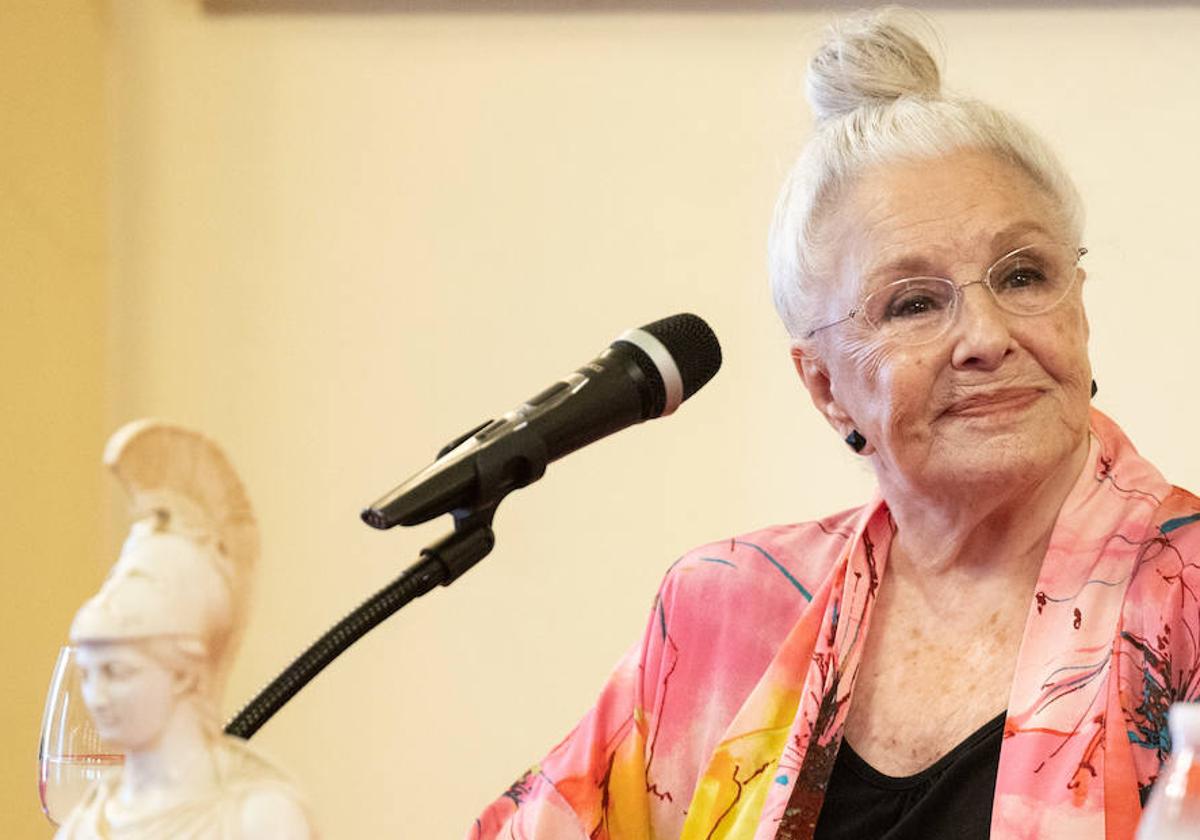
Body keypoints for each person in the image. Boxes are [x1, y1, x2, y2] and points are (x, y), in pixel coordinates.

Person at [469, 8, 1200, 840]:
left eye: (1024, 275)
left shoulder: (1188, 599)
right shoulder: (726, 613)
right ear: (824, 387)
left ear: (1079, 309)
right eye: (914, 303)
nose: (989, 339)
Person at [55, 420, 314, 840]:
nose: (97, 697)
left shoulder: (259, 819)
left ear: (183, 671)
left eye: (118, 672)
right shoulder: (87, 825)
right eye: (88, 674)